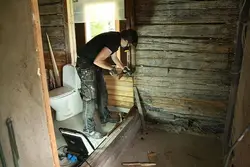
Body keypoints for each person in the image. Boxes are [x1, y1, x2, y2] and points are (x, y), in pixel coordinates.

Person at [76, 29, 138, 139]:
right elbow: (98, 61)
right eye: (128, 44)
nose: (127, 46)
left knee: (102, 92)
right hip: (85, 64)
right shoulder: (114, 41)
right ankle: (88, 129)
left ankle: (105, 117)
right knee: (89, 97)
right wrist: (111, 69)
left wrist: (123, 67)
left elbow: (114, 57)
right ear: (126, 40)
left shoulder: (116, 39)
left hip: (93, 64)